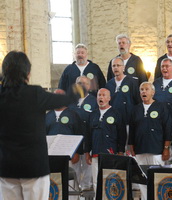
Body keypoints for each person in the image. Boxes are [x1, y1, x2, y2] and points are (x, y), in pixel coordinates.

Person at [0, 51, 82, 200]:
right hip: (33, 166)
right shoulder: (34, 94)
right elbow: (65, 99)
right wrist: (80, 87)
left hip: (6, 166)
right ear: (28, 73)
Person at [128, 82, 172, 200]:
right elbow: (131, 130)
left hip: (157, 150)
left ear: (153, 92)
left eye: (146, 89)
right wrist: (131, 148)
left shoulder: (161, 107)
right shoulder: (136, 109)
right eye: (141, 89)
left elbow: (167, 129)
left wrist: (166, 149)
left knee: (158, 180)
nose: (143, 92)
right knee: (142, 181)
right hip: (140, 150)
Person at [84, 88, 126, 191]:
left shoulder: (116, 114)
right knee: (96, 181)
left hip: (111, 153)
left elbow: (122, 134)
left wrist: (121, 152)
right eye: (99, 95)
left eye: (103, 95)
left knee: (110, 180)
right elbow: (88, 135)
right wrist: (86, 152)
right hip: (96, 153)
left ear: (109, 98)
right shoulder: (92, 114)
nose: (101, 97)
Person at [68, 76, 97, 191]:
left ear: (89, 86)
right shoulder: (70, 101)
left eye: (85, 83)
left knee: (87, 169)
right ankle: (73, 193)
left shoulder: (94, 101)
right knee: (73, 169)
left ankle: (86, 191)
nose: (82, 85)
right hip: (73, 140)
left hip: (87, 140)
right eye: (79, 83)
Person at [105, 56, 141, 125]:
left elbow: (138, 102)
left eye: (118, 65)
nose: (116, 67)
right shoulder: (109, 84)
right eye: (113, 66)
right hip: (113, 120)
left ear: (123, 67)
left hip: (129, 120)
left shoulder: (132, 82)